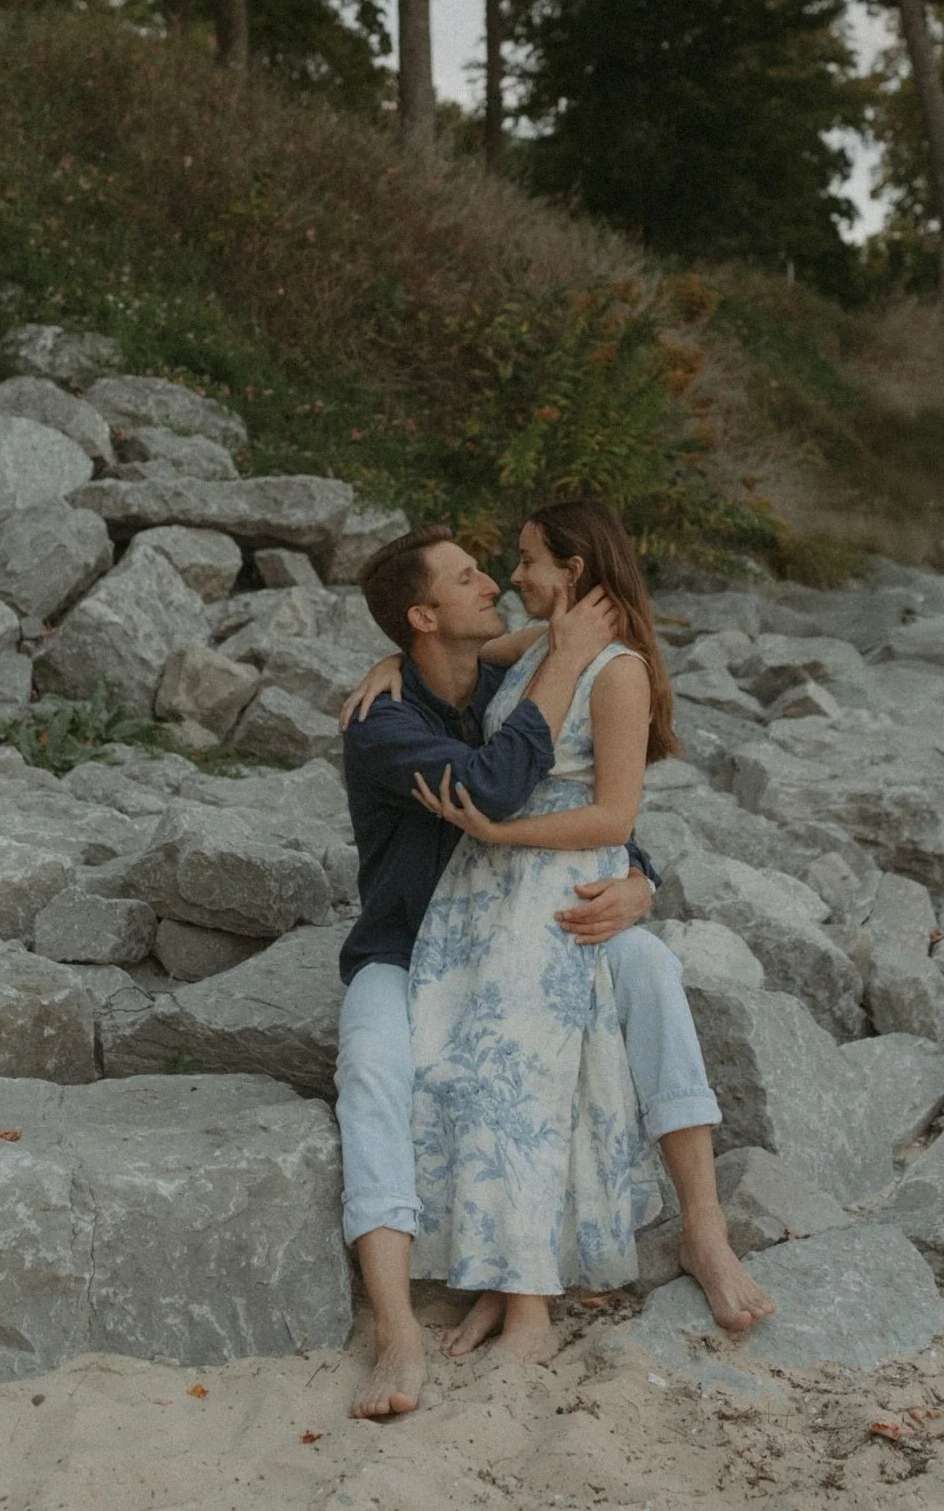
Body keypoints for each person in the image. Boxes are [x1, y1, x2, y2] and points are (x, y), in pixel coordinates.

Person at [337, 517, 774, 1420]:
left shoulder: (500, 670)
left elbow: (590, 793)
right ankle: (398, 1332)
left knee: (649, 971)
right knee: (374, 1066)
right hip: (408, 943)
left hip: (534, 920)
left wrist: (639, 883)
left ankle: (704, 1231)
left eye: (509, 564)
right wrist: (398, 667)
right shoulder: (385, 722)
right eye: (468, 578)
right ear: (423, 618)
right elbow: (495, 791)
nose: (495, 580)